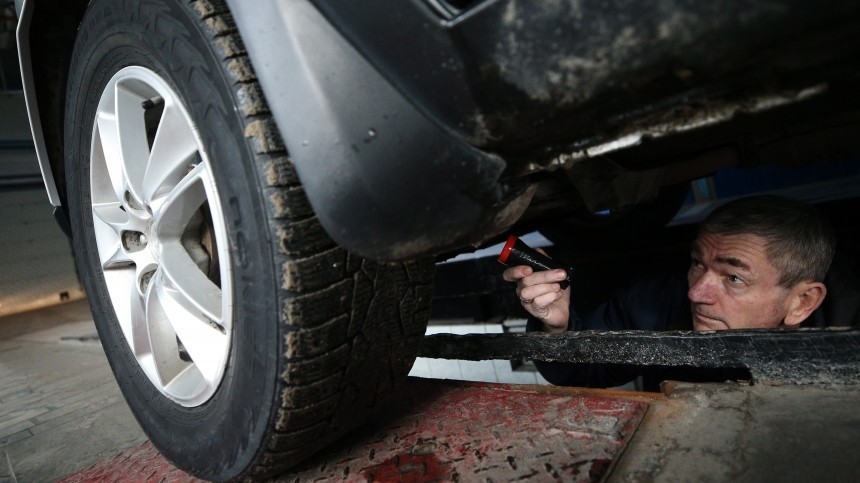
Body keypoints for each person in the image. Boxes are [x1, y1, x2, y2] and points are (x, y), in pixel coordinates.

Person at [503, 195, 860, 389]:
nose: (697, 293)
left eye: (734, 278)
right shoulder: (659, 298)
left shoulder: (851, 333)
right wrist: (556, 329)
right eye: (698, 263)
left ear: (802, 302)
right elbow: (583, 374)